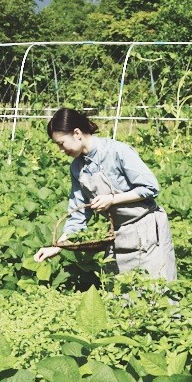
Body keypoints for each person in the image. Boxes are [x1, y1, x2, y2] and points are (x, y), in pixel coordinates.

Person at [34, 108, 176, 281]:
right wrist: (57, 246)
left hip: (147, 233)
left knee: (157, 291)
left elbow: (150, 187)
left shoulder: (116, 152)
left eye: (61, 143)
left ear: (77, 133)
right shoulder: (77, 168)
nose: (61, 150)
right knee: (122, 297)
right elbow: (78, 214)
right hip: (117, 236)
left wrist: (113, 199)